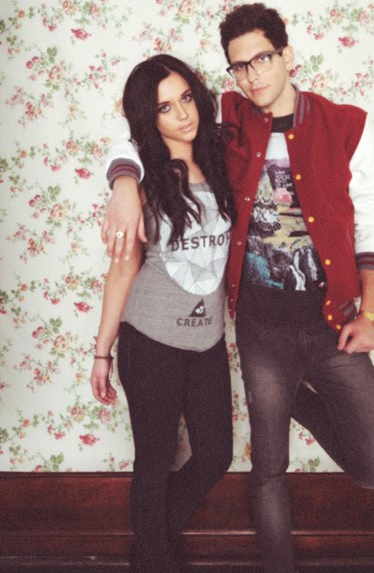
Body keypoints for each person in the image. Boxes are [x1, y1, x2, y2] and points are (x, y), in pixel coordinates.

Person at [101, 4, 374, 573]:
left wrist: (370, 312)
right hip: (260, 330)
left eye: (262, 59)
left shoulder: (348, 125)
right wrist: (122, 182)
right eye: (239, 66)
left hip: (332, 323)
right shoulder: (226, 116)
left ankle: (295, 400)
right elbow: (142, 124)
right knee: (267, 470)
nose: (252, 75)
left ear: (287, 55)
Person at [90, 54, 236, 572]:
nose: (183, 114)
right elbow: (123, 271)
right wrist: (102, 352)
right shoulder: (143, 181)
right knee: (153, 461)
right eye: (165, 107)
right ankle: (154, 557)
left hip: (208, 340)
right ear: (148, 118)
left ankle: (149, 542)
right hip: (150, 340)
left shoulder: (221, 161)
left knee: (215, 454)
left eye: (187, 98)